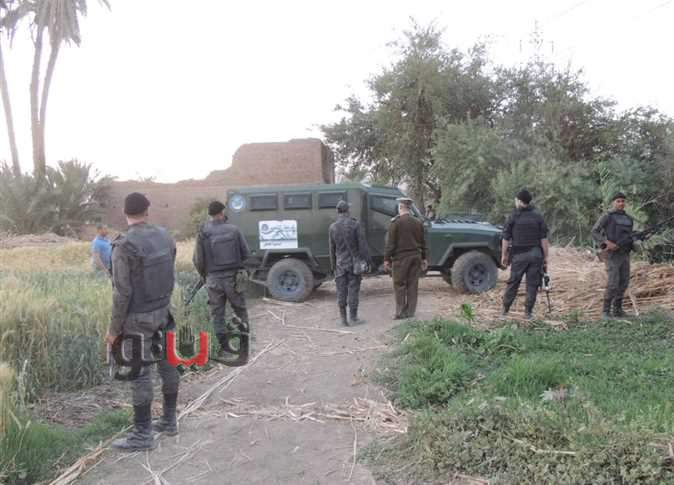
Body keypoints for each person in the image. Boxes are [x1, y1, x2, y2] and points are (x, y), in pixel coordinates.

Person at [106, 192, 179, 450]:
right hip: (164, 311)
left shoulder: (124, 245)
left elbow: (122, 292)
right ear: (147, 211)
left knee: (139, 374)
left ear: (125, 213)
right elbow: (170, 270)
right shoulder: (165, 235)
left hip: (138, 318)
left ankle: (142, 435)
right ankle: (169, 421)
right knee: (168, 366)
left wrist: (113, 330)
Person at [193, 200, 250, 356]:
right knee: (240, 311)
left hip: (213, 280)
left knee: (217, 315)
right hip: (233, 279)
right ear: (222, 213)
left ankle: (224, 348)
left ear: (210, 215)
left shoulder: (203, 232)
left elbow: (198, 260)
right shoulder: (234, 230)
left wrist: (205, 276)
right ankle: (244, 345)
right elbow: (246, 253)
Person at [501, 189, 549, 320]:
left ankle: (504, 311)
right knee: (532, 285)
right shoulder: (538, 216)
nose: (515, 202)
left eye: (516, 200)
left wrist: (504, 255)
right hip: (536, 255)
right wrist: (545, 257)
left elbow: (505, 238)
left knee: (513, 283)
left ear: (519, 201)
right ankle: (528, 313)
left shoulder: (513, 216)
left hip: (519, 256)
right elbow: (544, 239)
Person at [591, 192, 634, 319]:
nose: (621, 203)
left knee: (624, 282)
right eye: (618, 201)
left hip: (625, 253)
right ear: (613, 202)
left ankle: (617, 310)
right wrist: (606, 243)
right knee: (613, 282)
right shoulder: (607, 216)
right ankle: (605, 311)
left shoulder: (629, 219)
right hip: (612, 254)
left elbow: (629, 236)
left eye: (623, 201)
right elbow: (594, 231)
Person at [384, 197, 428, 319]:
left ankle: (400, 312)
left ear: (401, 207)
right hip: (416, 257)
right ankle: (410, 312)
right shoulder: (418, 222)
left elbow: (391, 244)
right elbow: (423, 242)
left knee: (399, 284)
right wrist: (424, 258)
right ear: (409, 208)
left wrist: (386, 259)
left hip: (401, 258)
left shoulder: (395, 223)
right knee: (413, 284)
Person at [329, 200, 370, 326]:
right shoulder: (355, 225)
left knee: (341, 291)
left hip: (340, 265)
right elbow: (363, 246)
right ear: (348, 210)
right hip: (354, 264)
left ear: (338, 211)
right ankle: (353, 318)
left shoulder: (332, 227)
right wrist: (367, 261)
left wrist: (333, 266)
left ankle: (343, 320)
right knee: (353, 291)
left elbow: (331, 249)